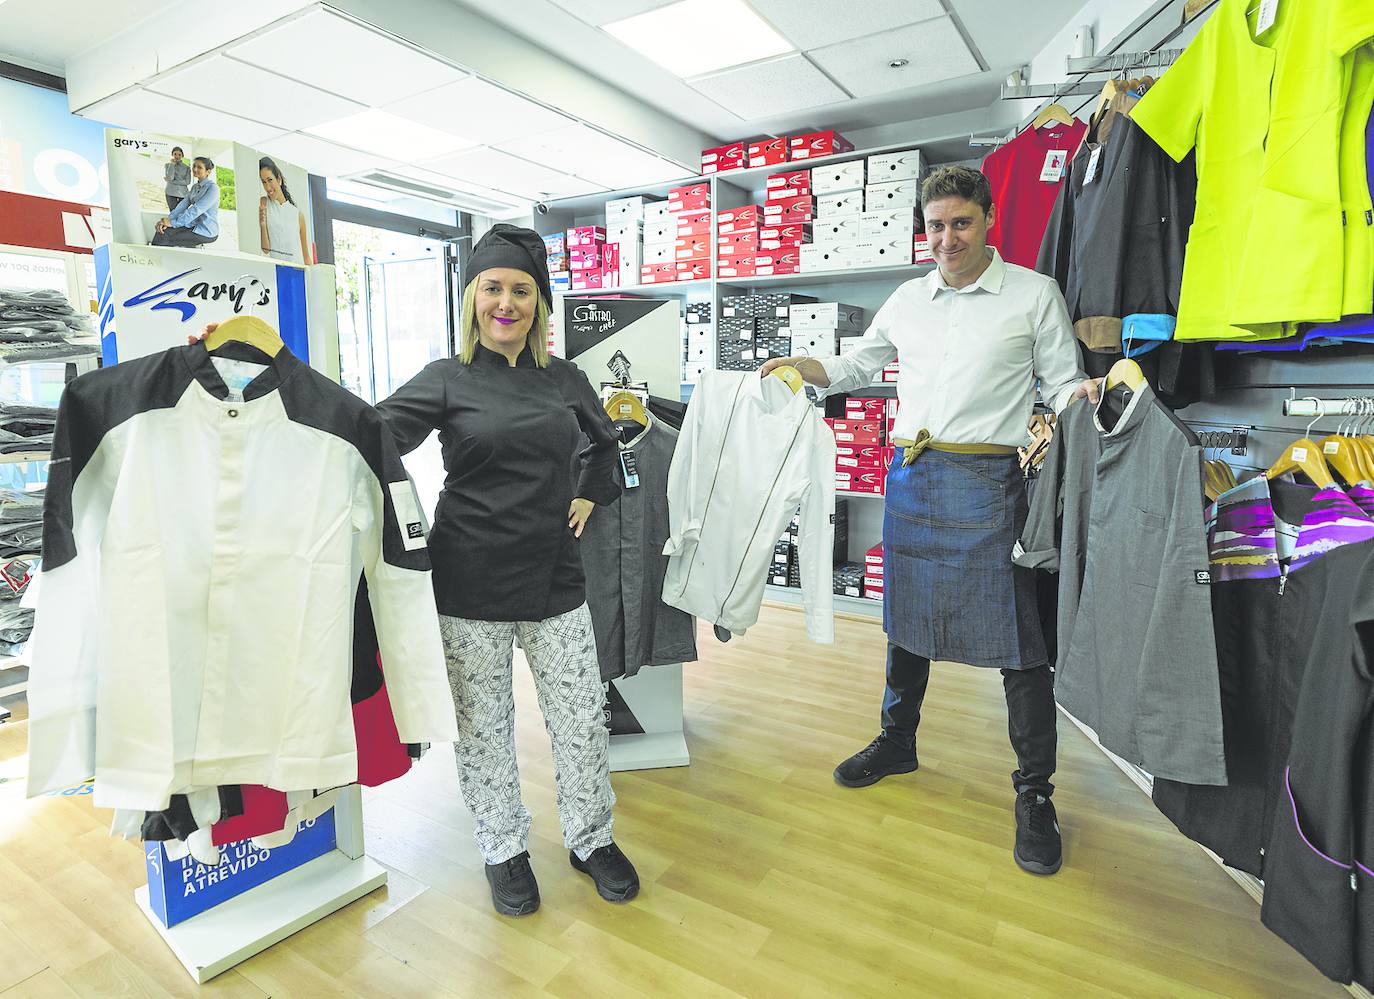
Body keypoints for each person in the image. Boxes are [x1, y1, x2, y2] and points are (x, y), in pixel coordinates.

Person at [760, 165, 1099, 877]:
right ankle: (897, 741)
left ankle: (1034, 794)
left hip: (993, 483)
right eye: (936, 224)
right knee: (905, 625)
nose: (946, 238)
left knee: (1020, 643)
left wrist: (1089, 398)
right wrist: (805, 366)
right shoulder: (908, 299)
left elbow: (1063, 381)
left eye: (960, 223)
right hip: (913, 477)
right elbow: (858, 365)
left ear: (988, 219)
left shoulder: (1034, 295)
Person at [374, 224, 639, 917]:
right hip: (467, 582)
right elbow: (370, 436)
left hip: (554, 579)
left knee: (581, 719)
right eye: (492, 287)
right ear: (471, 297)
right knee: (485, 727)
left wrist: (589, 490)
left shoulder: (565, 379)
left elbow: (608, 449)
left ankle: (592, 838)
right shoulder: (445, 378)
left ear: (540, 304)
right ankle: (503, 849)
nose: (506, 301)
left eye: (521, 290)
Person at [152, 156, 219, 249]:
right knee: (163, 230)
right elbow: (182, 205)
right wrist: (167, 221)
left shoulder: (213, 188)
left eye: (199, 167)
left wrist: (173, 223)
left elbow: (196, 210)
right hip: (192, 224)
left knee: (166, 236)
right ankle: (152, 258)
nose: (195, 169)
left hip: (205, 230)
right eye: (194, 166)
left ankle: (155, 259)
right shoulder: (195, 187)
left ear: (208, 171)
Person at [258, 157, 310, 265]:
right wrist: (262, 225)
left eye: (270, 180)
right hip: (277, 271)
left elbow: (306, 257)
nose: (268, 187)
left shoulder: (297, 215)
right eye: (264, 182)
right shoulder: (264, 203)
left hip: (297, 271)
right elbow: (266, 249)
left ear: (279, 179)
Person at [163, 146, 191, 213]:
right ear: (172, 154)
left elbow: (187, 182)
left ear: (182, 155)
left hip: (183, 194)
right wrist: (172, 165)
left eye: (179, 154)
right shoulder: (168, 165)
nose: (177, 156)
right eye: (175, 154)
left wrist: (173, 181)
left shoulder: (187, 168)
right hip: (170, 193)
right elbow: (170, 177)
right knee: (173, 213)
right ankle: (173, 224)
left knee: (182, 213)